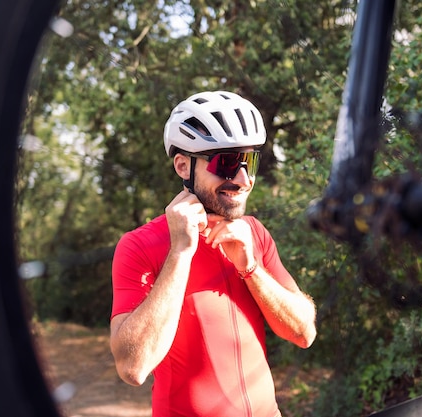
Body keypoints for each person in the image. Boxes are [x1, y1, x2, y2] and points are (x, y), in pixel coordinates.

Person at [110, 90, 317, 417]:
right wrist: (180, 253)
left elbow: (304, 332)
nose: (243, 179)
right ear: (182, 165)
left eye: (249, 162)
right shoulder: (140, 245)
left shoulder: (254, 233)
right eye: (227, 163)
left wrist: (252, 268)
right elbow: (132, 367)